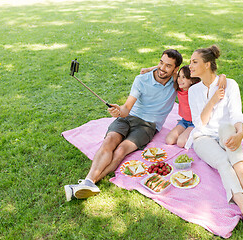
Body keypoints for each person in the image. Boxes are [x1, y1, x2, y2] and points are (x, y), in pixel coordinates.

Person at [64, 49, 183, 201]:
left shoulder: (176, 82)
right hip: (128, 117)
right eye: (160, 63)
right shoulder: (141, 80)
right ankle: (89, 181)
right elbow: (127, 108)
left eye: (168, 66)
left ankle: (87, 184)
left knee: (120, 150)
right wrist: (119, 111)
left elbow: (194, 72)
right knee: (109, 141)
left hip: (148, 126)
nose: (162, 68)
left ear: (175, 69)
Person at [188, 45, 243, 232]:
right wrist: (213, 100)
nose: (190, 66)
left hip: (226, 133)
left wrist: (240, 134)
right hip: (203, 138)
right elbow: (199, 124)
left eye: (194, 62)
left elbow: (236, 116)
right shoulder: (193, 91)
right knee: (223, 161)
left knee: (227, 128)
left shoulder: (230, 84)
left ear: (208, 65)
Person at [140, 65, 227, 148]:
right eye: (179, 76)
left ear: (192, 80)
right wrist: (149, 69)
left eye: (184, 77)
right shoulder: (179, 88)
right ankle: (188, 132)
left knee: (181, 142)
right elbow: (169, 69)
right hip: (184, 121)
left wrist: (222, 76)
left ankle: (200, 138)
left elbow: (211, 78)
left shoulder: (196, 88)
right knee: (169, 140)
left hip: (195, 122)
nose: (180, 80)